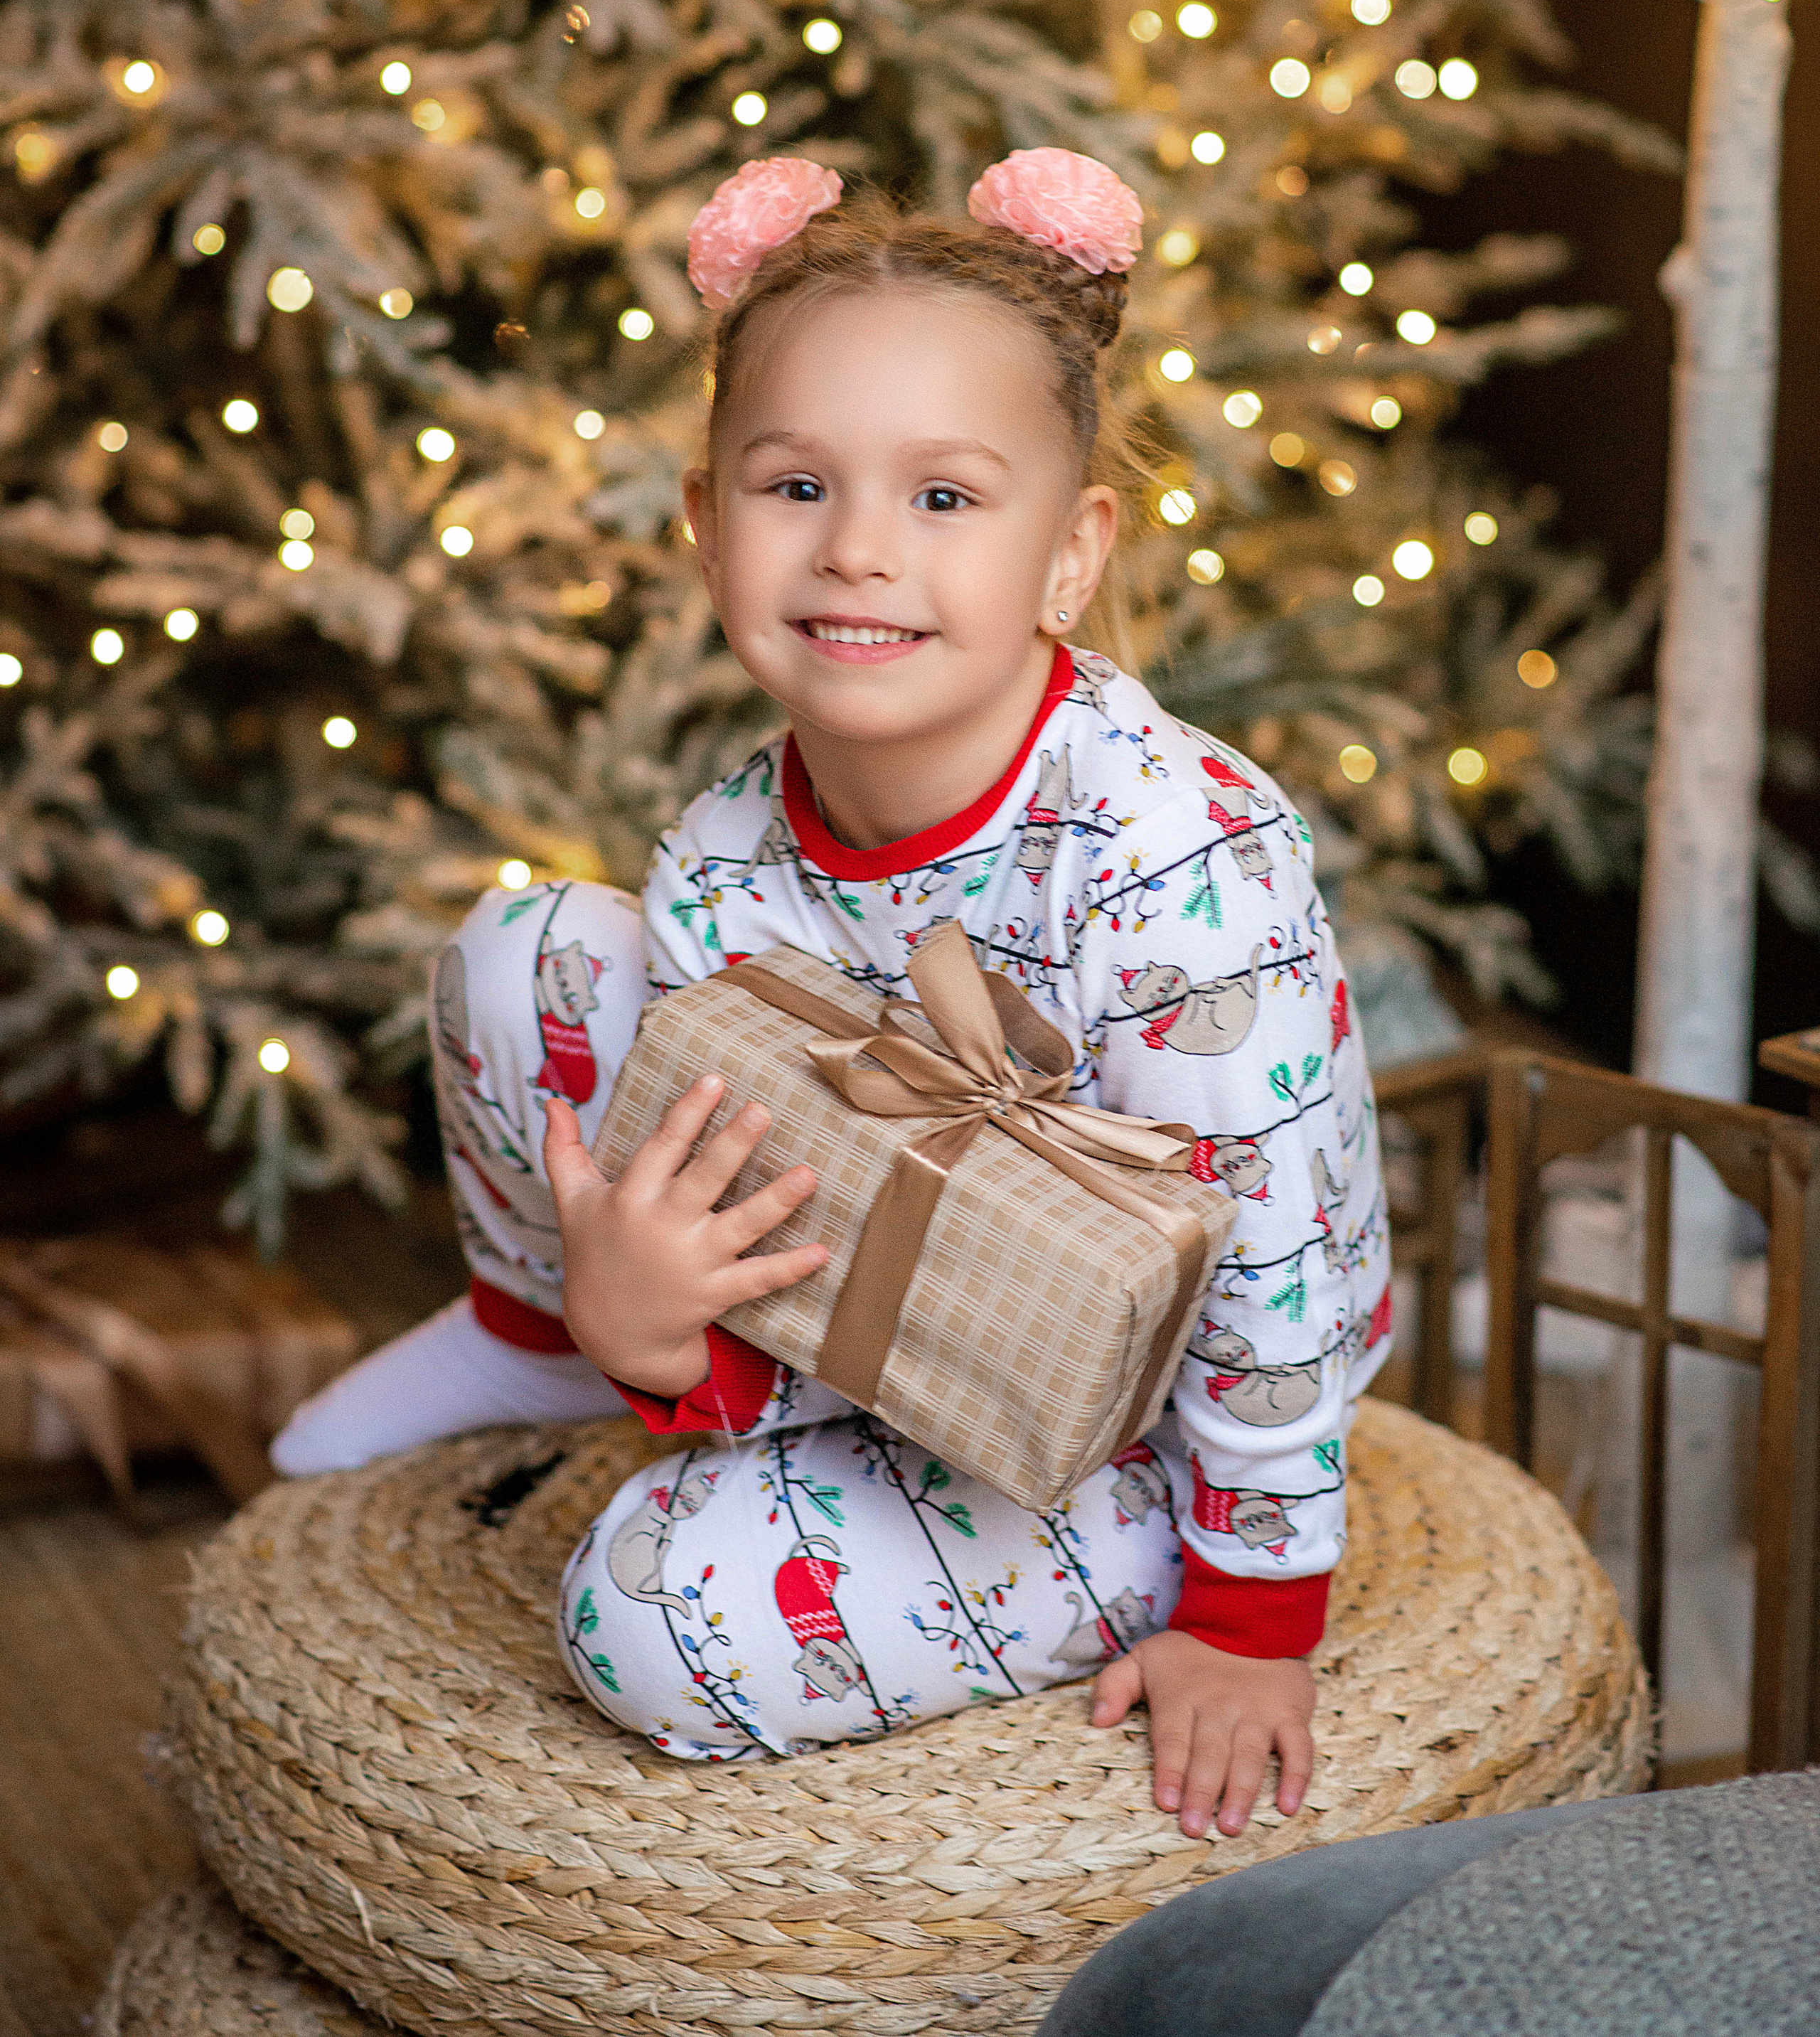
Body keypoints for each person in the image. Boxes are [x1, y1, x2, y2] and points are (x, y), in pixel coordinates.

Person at [276, 148, 1391, 1843]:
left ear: (1069, 551)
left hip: (1168, 1385)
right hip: (921, 1288)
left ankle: (1161, 1536)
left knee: (647, 1610)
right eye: (794, 486)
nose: (859, 548)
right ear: (706, 526)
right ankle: (533, 1335)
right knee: (526, 952)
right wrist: (651, 1339)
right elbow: (795, 1206)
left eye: (943, 497)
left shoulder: (1173, 858)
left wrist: (1251, 1619)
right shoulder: (726, 853)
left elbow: (1274, 1245)